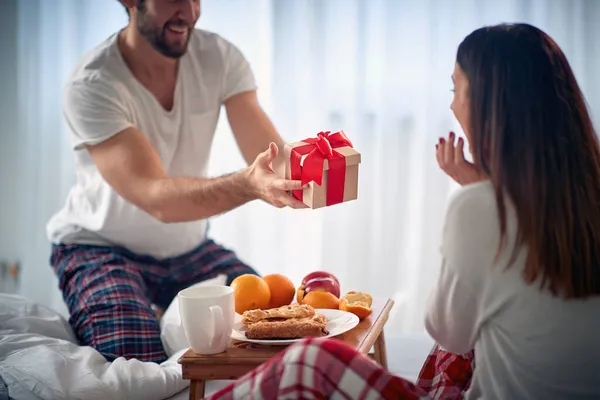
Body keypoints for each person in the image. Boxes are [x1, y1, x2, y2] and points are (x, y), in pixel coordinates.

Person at [204, 22, 600, 400]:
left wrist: (478, 196)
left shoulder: (478, 209)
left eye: (455, 88)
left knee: (309, 361)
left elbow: (449, 333)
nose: (451, 105)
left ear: (488, 104)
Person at [47, 0, 308, 364]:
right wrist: (247, 184)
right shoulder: (93, 83)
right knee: (136, 360)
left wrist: (321, 162)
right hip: (101, 247)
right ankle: (138, 311)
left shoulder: (219, 57)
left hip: (188, 248)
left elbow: (272, 158)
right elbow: (158, 199)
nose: (188, 10)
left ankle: (157, 313)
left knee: (269, 329)